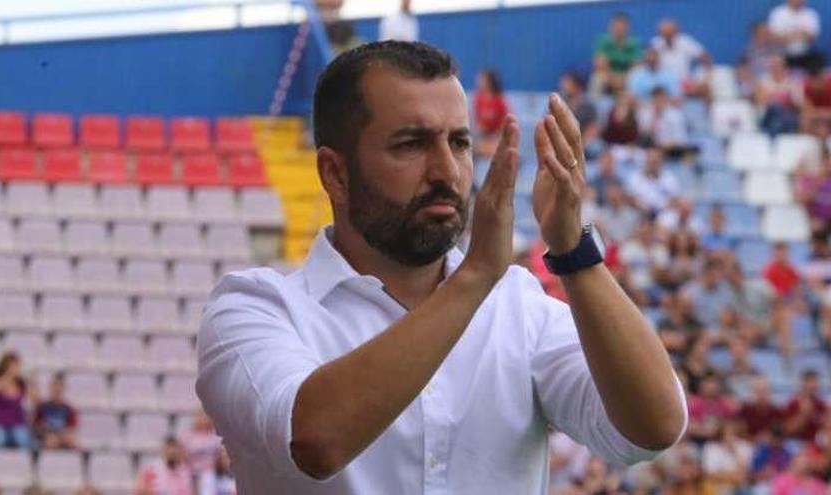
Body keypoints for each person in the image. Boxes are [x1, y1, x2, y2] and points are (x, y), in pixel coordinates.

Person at [196, 40, 686, 493]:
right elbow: (316, 439)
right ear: (335, 173)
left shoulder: (519, 305)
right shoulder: (255, 308)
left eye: (459, 142)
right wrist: (474, 278)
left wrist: (573, 252)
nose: (447, 172)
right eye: (411, 144)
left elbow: (654, 427)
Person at [0, 352, 33, 449]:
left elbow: (33, 401)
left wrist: (32, 382)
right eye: (12, 365)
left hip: (16, 423)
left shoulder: (21, 385)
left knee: (22, 439)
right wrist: (8, 376)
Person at [767, 0, 823, 71]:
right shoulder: (777, 13)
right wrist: (798, 34)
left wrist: (789, 35)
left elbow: (812, 38)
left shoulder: (811, 14)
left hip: (805, 53)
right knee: (775, 60)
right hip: (783, 54)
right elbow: (773, 38)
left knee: (818, 61)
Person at [637, 86, 690, 158]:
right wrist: (654, 117)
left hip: (670, 151)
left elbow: (681, 140)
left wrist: (663, 145)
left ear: (666, 99)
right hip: (649, 150)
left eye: (661, 99)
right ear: (652, 99)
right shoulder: (645, 113)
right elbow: (642, 135)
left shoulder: (675, 115)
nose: (659, 102)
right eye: (656, 99)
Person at [701, 421, 753, 495]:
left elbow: (744, 474)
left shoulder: (745, 446)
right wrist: (731, 477)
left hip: (737, 487)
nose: (729, 437)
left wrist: (735, 452)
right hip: (716, 485)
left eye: (732, 433)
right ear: (720, 434)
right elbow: (709, 473)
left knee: (744, 488)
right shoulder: (710, 447)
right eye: (725, 434)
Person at [34, 373, 77, 450]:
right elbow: (37, 427)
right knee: (50, 441)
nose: (57, 390)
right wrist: (46, 432)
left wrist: (62, 434)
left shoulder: (69, 408)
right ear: (50, 388)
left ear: (63, 389)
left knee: (71, 441)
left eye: (59, 387)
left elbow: (72, 428)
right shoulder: (42, 407)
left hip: (63, 435)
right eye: (55, 387)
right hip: (48, 435)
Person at [473, 69, 510, 158]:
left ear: (489, 81)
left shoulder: (499, 101)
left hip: (496, 138)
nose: (479, 81)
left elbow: (505, 123)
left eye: (482, 79)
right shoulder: (478, 99)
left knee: (495, 150)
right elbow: (478, 122)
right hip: (483, 137)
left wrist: (497, 137)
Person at [783, 370, 827, 441]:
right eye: (810, 382)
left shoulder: (821, 404)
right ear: (803, 384)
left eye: (815, 382)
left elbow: (825, 428)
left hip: (816, 444)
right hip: (797, 442)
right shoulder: (793, 403)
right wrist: (803, 414)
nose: (813, 386)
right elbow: (788, 430)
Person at [738, 375, 784, 439]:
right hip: (748, 444)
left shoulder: (776, 412)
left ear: (769, 393)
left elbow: (780, 433)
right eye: (758, 391)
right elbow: (740, 432)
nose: (761, 395)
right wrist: (754, 439)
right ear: (753, 393)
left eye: (764, 391)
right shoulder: (745, 410)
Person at [181, 409, 222, 479]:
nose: (203, 418)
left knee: (208, 476)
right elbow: (182, 455)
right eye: (200, 416)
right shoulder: (187, 435)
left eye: (205, 416)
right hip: (191, 472)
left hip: (212, 473)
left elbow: (221, 456)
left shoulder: (217, 435)